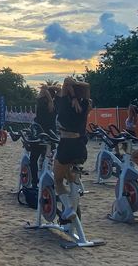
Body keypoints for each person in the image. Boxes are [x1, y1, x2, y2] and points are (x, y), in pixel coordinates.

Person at [53, 77, 91, 221]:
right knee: (71, 176)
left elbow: (66, 80)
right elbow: (86, 86)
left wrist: (68, 90)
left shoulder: (65, 104)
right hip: (80, 146)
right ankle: (75, 206)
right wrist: (74, 90)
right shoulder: (86, 104)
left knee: (57, 180)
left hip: (66, 144)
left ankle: (69, 208)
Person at [29, 84, 58, 186]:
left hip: (39, 135)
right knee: (48, 161)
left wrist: (45, 89)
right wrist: (51, 88)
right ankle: (49, 181)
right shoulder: (55, 106)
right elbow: (59, 91)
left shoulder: (41, 103)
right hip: (51, 136)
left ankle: (34, 183)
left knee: (33, 160)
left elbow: (40, 95)